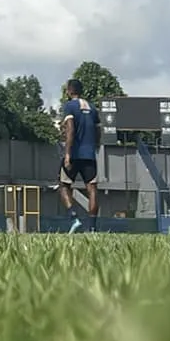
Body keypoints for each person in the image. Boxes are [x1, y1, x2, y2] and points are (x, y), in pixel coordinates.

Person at [57, 79, 101, 233]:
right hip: (89, 155)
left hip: (75, 153)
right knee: (92, 189)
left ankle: (74, 217)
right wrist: (95, 147)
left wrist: (68, 153)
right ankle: (93, 227)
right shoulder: (93, 108)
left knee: (63, 186)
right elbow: (98, 131)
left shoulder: (69, 106)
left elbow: (70, 130)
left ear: (69, 91)